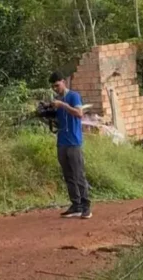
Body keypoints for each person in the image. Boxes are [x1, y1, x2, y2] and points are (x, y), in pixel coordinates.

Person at [49, 71, 92, 219]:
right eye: (53, 87)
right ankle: (76, 205)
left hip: (74, 142)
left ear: (63, 82)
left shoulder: (73, 96)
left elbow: (79, 113)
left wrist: (62, 105)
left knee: (79, 175)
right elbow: (58, 120)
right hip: (62, 141)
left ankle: (86, 206)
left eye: (57, 85)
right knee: (68, 176)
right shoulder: (56, 100)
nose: (55, 89)